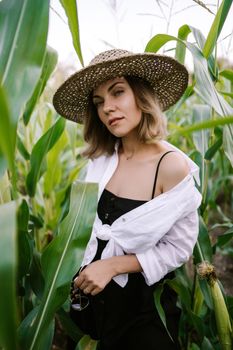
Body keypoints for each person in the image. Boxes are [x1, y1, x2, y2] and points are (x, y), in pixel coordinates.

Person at [53, 49, 202, 350]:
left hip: (141, 313)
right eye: (98, 102)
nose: (107, 108)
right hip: (88, 303)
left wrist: (113, 266)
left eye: (117, 92)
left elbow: (178, 249)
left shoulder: (171, 166)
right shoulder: (101, 160)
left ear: (141, 96)